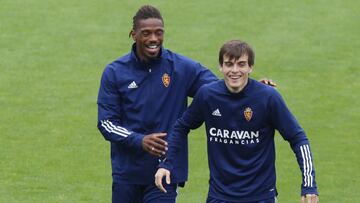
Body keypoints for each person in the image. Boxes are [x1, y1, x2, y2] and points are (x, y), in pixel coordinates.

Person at [97, 5, 276, 202]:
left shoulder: (181, 68)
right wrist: (139, 140)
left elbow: (220, 89)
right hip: (127, 174)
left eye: (159, 33)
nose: (154, 39)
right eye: (146, 33)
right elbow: (106, 123)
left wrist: (252, 89)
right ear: (133, 34)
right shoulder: (115, 72)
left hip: (165, 171)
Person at [155, 40, 319, 203]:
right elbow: (181, 127)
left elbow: (298, 138)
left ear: (250, 67)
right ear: (221, 66)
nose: (235, 70)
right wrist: (167, 163)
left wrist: (309, 185)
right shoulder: (208, 96)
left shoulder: (268, 98)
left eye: (241, 64)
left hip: (260, 197)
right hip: (219, 197)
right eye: (229, 64)